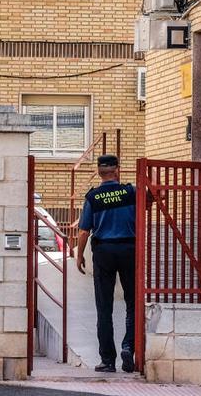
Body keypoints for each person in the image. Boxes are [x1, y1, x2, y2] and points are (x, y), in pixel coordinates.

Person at [75, 154, 136, 373]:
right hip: (129, 249)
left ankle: (108, 361)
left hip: (103, 252)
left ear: (100, 172)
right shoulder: (131, 192)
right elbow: (151, 202)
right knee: (133, 302)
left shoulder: (93, 197)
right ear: (117, 170)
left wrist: (79, 255)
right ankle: (129, 346)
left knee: (104, 307)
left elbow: (84, 231)